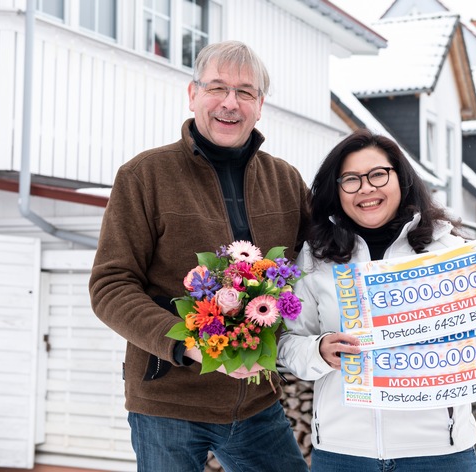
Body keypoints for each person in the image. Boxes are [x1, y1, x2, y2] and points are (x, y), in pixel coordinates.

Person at [89, 40, 310, 472]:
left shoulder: (286, 181)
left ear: (260, 105)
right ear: (192, 95)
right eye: (217, 88)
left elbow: (323, 261)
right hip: (168, 402)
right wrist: (192, 344)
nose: (231, 102)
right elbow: (110, 286)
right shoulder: (144, 176)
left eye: (246, 92)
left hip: (257, 402)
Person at [277, 129, 476, 472]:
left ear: (401, 179)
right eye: (351, 180)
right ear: (337, 190)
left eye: (378, 175)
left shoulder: (448, 250)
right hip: (344, 452)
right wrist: (320, 351)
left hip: (439, 451)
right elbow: (287, 343)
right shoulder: (317, 257)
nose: (367, 188)